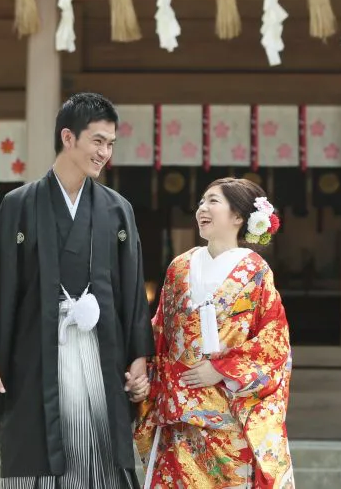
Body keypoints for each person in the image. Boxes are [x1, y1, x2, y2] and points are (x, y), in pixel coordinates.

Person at [0, 92, 155, 489]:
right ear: (69, 138)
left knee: (100, 453)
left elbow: (132, 291)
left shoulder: (117, 210)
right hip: (36, 351)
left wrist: (138, 356)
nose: (105, 152)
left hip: (100, 352)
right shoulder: (19, 205)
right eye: (98, 141)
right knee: (36, 452)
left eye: (111, 144)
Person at [135, 177, 294, 489]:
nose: (201, 209)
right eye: (201, 202)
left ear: (238, 217)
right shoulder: (180, 266)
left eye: (212, 201)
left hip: (229, 417)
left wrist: (222, 370)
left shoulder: (256, 271)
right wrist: (142, 369)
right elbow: (159, 331)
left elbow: (274, 343)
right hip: (178, 415)